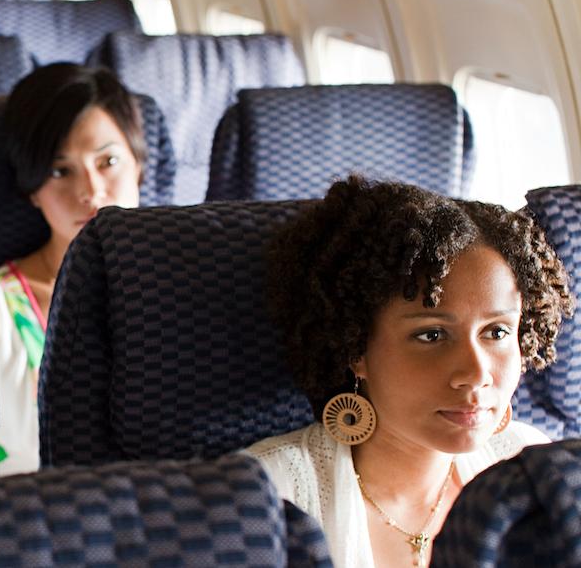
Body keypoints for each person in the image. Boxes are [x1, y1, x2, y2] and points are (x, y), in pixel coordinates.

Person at [246, 175, 574, 568]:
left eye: (497, 332)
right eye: (432, 334)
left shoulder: (533, 469)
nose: (475, 372)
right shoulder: (269, 496)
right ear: (356, 349)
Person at [0, 63, 146, 475]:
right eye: (61, 171)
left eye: (108, 161)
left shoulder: (198, 285)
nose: (91, 191)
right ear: (32, 191)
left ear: (140, 166)